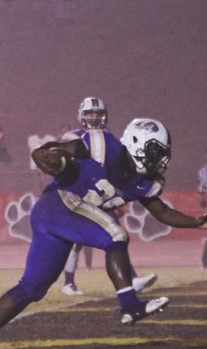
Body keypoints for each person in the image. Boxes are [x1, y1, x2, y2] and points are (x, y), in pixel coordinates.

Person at [0, 118, 207, 349]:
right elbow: (49, 151)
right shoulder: (102, 145)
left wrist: (196, 222)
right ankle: (129, 304)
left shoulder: (141, 181)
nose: (160, 160)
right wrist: (49, 157)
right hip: (59, 204)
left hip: (58, 219)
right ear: (136, 142)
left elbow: (162, 212)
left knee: (32, 287)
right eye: (155, 151)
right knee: (115, 235)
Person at [61, 97, 158, 296]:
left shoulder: (110, 139)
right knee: (75, 243)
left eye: (97, 113)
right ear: (82, 115)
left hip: (102, 198)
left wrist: (119, 195)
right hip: (79, 197)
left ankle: (132, 279)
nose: (94, 117)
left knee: (117, 236)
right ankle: (68, 283)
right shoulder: (73, 137)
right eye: (90, 113)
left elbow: (115, 172)